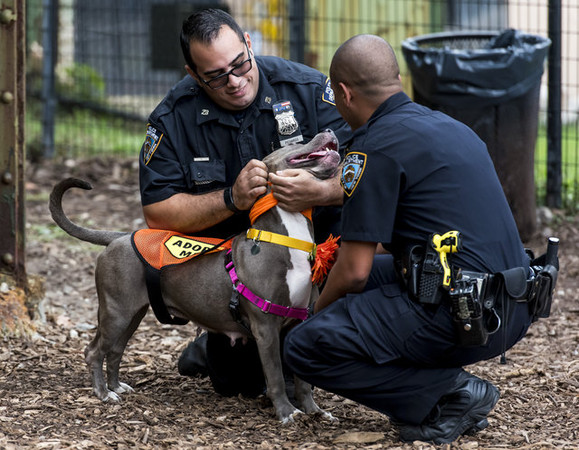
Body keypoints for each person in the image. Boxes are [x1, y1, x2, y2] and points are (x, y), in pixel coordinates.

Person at [283, 34, 537, 444]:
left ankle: (452, 395)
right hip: (512, 303)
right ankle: (438, 384)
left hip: (464, 314)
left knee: (305, 347)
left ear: (344, 93)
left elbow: (354, 271)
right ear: (395, 79)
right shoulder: (450, 127)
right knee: (370, 281)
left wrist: (313, 319)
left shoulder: (372, 147)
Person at [138, 9, 350, 397]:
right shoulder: (173, 119)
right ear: (193, 74)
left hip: (324, 263)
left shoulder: (305, 88)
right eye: (217, 76)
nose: (235, 82)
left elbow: (369, 165)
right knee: (239, 384)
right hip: (240, 284)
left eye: (240, 64)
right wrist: (229, 199)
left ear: (249, 44)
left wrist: (322, 191)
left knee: (336, 364)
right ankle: (218, 336)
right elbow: (157, 213)